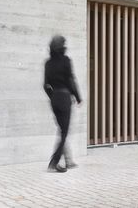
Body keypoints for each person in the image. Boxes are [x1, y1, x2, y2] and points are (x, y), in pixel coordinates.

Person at [43, 35, 82, 173]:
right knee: (64, 132)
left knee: (62, 130)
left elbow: (45, 85)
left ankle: (68, 161)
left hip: (54, 100)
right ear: (62, 47)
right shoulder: (66, 61)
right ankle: (54, 162)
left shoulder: (48, 63)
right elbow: (71, 80)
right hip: (65, 98)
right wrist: (78, 97)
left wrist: (53, 96)